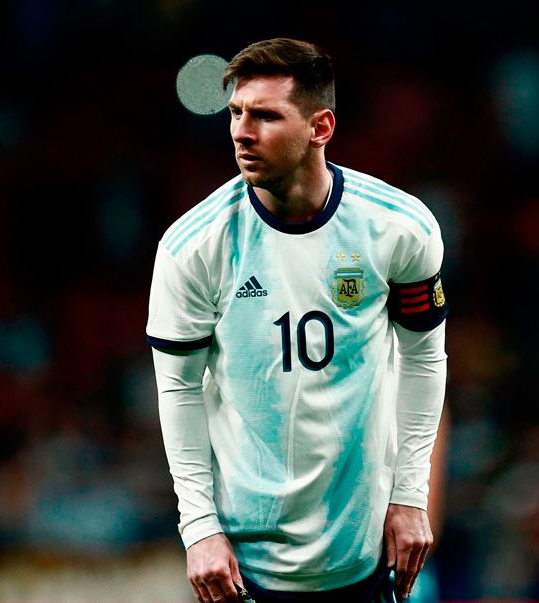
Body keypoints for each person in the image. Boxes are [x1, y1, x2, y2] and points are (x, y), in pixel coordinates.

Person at [146, 38, 448, 602]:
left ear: (321, 127)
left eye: (264, 115)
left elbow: (424, 357)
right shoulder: (191, 248)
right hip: (245, 564)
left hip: (365, 553)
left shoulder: (399, 227)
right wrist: (199, 528)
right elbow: (178, 390)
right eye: (236, 112)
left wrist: (411, 494)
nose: (241, 130)